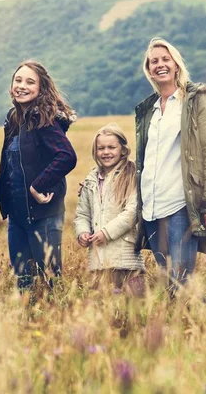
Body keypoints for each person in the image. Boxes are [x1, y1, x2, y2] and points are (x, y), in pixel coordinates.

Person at [134, 37, 206, 290]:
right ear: (148, 69)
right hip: (152, 209)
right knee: (169, 282)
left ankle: (203, 327)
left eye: (166, 59)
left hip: (180, 207)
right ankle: (185, 327)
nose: (160, 65)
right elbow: (143, 160)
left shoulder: (197, 101)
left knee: (181, 282)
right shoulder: (147, 110)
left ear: (176, 65)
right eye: (154, 61)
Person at [0, 60, 77, 290]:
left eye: (30, 82)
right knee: (23, 283)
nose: (22, 86)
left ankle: (58, 322)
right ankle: (28, 323)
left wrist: (37, 186)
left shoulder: (45, 119)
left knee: (51, 281)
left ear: (41, 89)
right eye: (18, 80)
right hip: (17, 217)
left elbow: (66, 156)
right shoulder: (13, 119)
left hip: (44, 214)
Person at [75, 123, 145, 294]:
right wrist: (82, 232)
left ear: (122, 149)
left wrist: (107, 233)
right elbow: (82, 214)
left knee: (134, 307)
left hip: (126, 258)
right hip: (98, 260)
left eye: (111, 147)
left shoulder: (132, 175)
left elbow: (132, 212)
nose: (106, 152)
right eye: (101, 148)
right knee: (103, 308)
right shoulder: (91, 180)